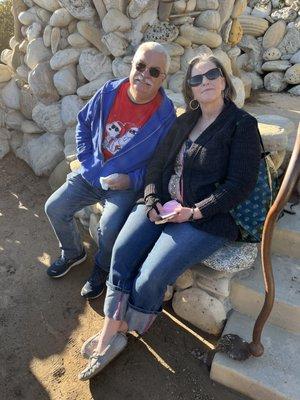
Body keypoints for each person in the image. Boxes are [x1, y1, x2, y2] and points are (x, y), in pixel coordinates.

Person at [78, 54, 262, 380]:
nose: (204, 82)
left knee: (150, 276)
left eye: (211, 75)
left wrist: (195, 211)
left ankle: (128, 327)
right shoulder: (184, 120)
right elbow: (157, 166)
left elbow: (239, 185)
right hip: (161, 205)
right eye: (196, 78)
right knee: (122, 250)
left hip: (205, 217)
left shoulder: (241, 125)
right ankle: (112, 326)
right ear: (189, 87)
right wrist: (149, 199)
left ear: (224, 80)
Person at [44, 42, 176, 300]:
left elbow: (162, 163)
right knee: (54, 208)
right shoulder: (109, 92)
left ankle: (101, 269)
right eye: (140, 66)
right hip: (92, 172)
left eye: (154, 72)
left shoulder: (165, 115)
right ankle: (73, 253)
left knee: (109, 225)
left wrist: (130, 180)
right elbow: (83, 123)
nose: (144, 75)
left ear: (163, 78)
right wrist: (87, 160)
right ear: (132, 65)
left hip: (125, 185)